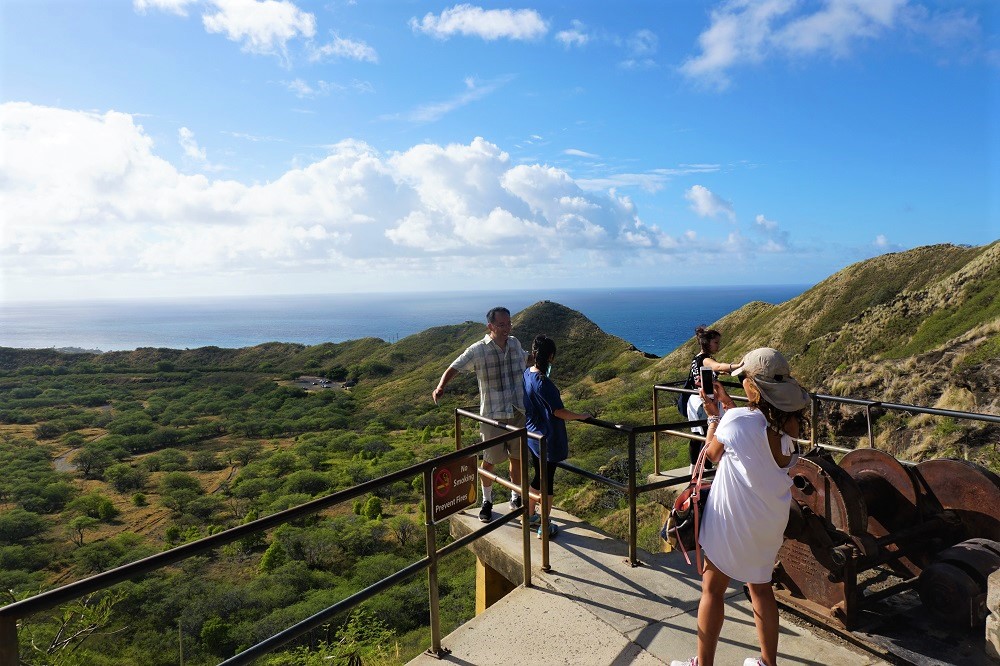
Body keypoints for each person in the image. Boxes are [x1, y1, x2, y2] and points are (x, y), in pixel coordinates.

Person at [670, 347, 811, 666]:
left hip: (733, 523)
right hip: (768, 523)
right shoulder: (790, 427)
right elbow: (754, 435)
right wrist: (728, 410)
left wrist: (714, 415)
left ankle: (703, 664)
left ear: (754, 387)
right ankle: (767, 663)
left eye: (744, 378)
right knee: (761, 588)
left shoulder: (737, 422)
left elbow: (713, 452)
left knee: (712, 589)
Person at [432, 306, 529, 523]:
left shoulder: (515, 344)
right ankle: (487, 501)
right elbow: (455, 366)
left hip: (518, 411)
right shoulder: (478, 350)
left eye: (509, 323)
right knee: (489, 460)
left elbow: (526, 360)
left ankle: (516, 496)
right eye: (502, 324)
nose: (507, 328)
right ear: (490, 326)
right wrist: (441, 386)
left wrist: (544, 359)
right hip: (492, 414)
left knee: (518, 458)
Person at [522, 335, 591, 538]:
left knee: (538, 476)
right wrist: (581, 416)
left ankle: (530, 514)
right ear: (551, 356)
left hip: (532, 435)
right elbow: (558, 411)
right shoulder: (544, 383)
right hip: (548, 439)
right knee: (547, 482)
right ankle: (544, 526)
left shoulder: (527, 374)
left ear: (534, 353)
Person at [685, 326, 741, 469]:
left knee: (697, 434)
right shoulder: (705, 359)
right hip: (705, 400)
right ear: (707, 343)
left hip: (695, 399)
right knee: (710, 432)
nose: (718, 345)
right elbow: (717, 366)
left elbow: (706, 373)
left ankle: (694, 468)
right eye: (716, 342)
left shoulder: (696, 358)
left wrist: (719, 374)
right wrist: (737, 366)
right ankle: (707, 468)